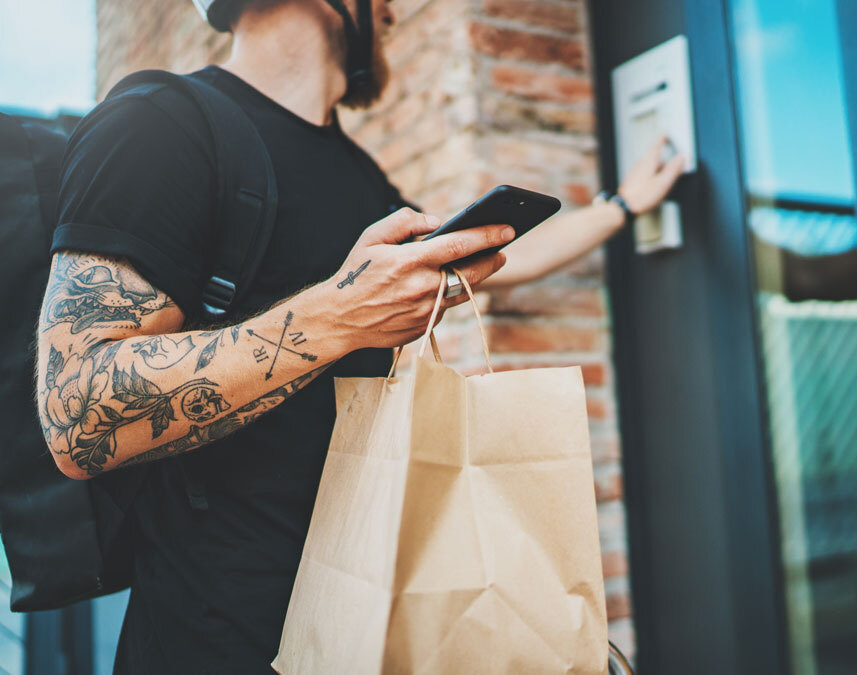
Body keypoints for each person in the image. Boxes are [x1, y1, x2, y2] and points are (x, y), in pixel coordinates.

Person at [34, 0, 683, 671]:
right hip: (220, 640)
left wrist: (623, 205)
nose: (396, 10)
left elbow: (499, 259)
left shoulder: (359, 177)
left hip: (369, 630)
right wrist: (340, 316)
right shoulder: (157, 124)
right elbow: (75, 412)